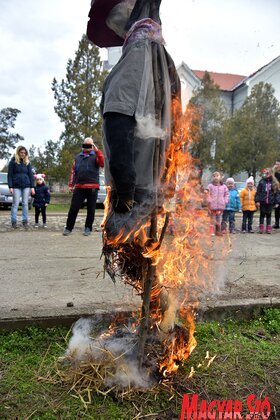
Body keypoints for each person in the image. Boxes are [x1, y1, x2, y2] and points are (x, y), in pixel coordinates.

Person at [87, 0, 182, 242]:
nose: (116, 25)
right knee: (142, 254)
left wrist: (126, 195)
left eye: (115, 16)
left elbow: (118, 122)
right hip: (150, 184)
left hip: (139, 187)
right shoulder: (157, 54)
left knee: (119, 237)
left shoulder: (140, 53)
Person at [63, 137, 104, 236]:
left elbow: (102, 163)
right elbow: (73, 172)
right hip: (79, 187)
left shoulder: (96, 156)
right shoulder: (78, 157)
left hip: (92, 187)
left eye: (90, 145)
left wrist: (97, 150)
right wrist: (71, 185)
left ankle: (88, 228)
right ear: (83, 145)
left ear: (93, 145)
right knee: (74, 208)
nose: (88, 147)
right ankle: (68, 228)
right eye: (86, 144)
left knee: (91, 209)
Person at [8, 145, 35, 228]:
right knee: (15, 204)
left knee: (25, 204)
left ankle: (25, 221)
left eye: (24, 153)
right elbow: (10, 175)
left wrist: (32, 187)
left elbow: (30, 175)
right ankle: (14, 221)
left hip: (26, 185)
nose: (23, 154)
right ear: (18, 152)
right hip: (16, 186)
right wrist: (10, 186)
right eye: (21, 152)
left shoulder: (27, 162)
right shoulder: (13, 162)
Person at [255, 168, 280, 234]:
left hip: (270, 201)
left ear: (271, 174)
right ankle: (261, 227)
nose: (266, 174)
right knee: (262, 214)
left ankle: (268, 228)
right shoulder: (261, 182)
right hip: (262, 201)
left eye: (268, 173)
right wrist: (257, 201)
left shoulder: (274, 182)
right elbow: (258, 192)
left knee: (269, 214)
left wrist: (277, 202)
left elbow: (277, 193)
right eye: (266, 173)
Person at [207, 171, 229, 236]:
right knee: (212, 219)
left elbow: (226, 194)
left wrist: (225, 201)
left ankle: (218, 231)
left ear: (220, 177)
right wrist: (209, 200)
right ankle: (211, 231)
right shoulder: (210, 186)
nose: (215, 177)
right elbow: (207, 194)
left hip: (220, 206)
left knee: (219, 219)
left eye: (217, 176)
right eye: (214, 176)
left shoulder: (224, 186)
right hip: (212, 206)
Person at [271, 159, 280, 229]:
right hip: (276, 192)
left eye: (278, 164)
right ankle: (277, 223)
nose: (276, 166)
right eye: (276, 164)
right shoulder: (275, 173)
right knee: (277, 209)